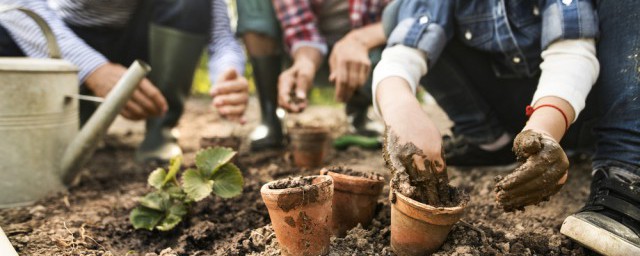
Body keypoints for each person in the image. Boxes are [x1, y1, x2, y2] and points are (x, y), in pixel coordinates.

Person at [375, 0, 639, 254]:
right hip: (515, 110)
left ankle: (625, 169)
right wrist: (401, 108)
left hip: (589, 105)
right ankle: (491, 142)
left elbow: (571, 51)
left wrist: (544, 128)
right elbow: (404, 50)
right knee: (397, 13)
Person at [0, 0, 248, 163]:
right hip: (68, 36)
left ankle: (161, 128)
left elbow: (221, 37)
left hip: (142, 39)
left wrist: (228, 74)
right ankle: (70, 120)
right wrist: (93, 69)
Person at [236, 0, 390, 151]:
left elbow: (407, 15)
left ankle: (359, 110)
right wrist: (305, 63)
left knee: (403, 43)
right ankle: (270, 116)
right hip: (300, 52)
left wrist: (358, 41)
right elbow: (301, 29)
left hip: (369, 53)